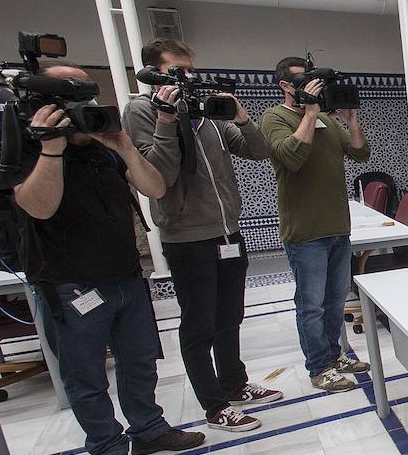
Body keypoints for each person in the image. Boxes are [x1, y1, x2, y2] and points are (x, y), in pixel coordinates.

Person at [9, 63, 204, 455]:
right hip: (70, 282)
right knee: (86, 375)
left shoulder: (103, 148)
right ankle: (109, 451)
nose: (84, 108)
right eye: (71, 99)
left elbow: (154, 189)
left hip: (126, 275)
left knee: (139, 362)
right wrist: (51, 148)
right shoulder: (26, 147)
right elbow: (39, 207)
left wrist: (123, 146)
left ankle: (149, 430)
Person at [124, 39, 282, 433]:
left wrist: (241, 116)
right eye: (178, 70)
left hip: (228, 231)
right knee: (199, 324)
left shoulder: (206, 113)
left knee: (230, 316)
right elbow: (159, 175)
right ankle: (213, 406)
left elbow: (259, 150)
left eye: (190, 70)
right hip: (187, 236)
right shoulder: (141, 111)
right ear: (153, 73)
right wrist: (166, 118)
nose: (187, 78)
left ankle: (234, 383)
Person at [260, 56, 371, 393]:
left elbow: (360, 154)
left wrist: (350, 121)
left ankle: (335, 356)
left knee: (336, 299)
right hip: (305, 232)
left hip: (338, 226)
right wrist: (308, 113)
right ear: (284, 85)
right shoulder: (274, 117)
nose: (311, 87)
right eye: (301, 80)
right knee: (311, 304)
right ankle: (319, 367)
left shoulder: (326, 119)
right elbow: (291, 156)